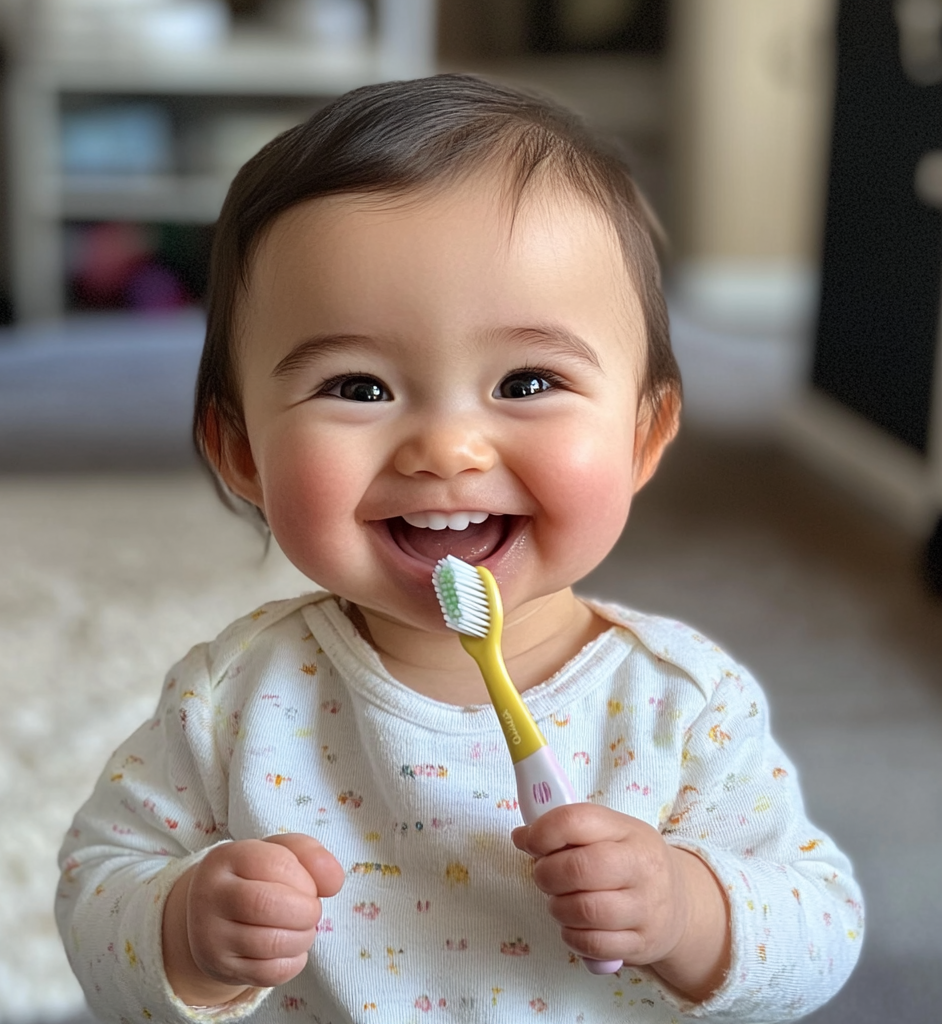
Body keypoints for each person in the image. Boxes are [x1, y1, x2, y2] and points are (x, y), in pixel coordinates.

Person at [56, 75, 863, 1023]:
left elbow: (822, 928)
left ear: (642, 438)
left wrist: (689, 910)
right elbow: (95, 887)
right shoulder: (233, 698)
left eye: (526, 382)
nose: (446, 450)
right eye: (358, 388)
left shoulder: (680, 704)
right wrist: (183, 925)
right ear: (241, 453)